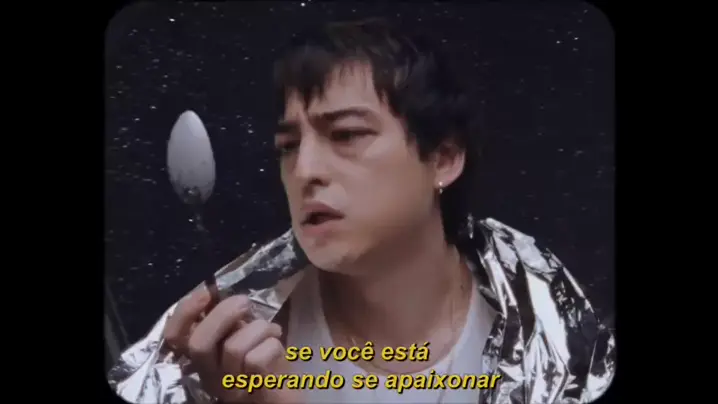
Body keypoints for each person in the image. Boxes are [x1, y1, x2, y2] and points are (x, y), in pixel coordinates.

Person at [107, 18, 615, 404]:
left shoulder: (542, 323)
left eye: (347, 134)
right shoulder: (230, 344)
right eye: (287, 146)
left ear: (443, 158)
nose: (305, 169)